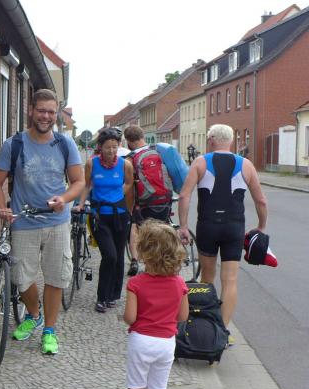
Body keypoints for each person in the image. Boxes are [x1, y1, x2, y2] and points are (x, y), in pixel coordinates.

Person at [0, 89, 84, 355]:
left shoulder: (65, 144)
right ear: (31, 111)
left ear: (57, 115)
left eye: (51, 112)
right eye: (41, 110)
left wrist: (64, 198)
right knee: (21, 278)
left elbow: (78, 181)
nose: (46, 116)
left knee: (56, 277)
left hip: (57, 222)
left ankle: (49, 331)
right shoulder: (14, 144)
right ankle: (34, 314)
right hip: (24, 221)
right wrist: (1, 208)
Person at [177, 123, 268, 332]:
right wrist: (261, 226)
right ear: (232, 141)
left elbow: (184, 195)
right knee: (230, 279)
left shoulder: (200, 162)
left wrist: (183, 226)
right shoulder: (246, 165)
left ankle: (205, 327)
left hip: (207, 226)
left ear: (211, 140)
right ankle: (223, 331)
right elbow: (261, 200)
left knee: (207, 278)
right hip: (234, 227)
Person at [117, 220, 189, 389]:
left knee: (135, 387)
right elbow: (183, 315)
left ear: (144, 252)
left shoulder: (136, 283)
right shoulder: (179, 283)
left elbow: (130, 317)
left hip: (141, 341)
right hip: (166, 343)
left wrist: (126, 317)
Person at [77, 127, 134, 312]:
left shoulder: (125, 165)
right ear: (100, 147)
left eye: (115, 147)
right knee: (109, 255)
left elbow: (129, 183)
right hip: (99, 216)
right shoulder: (92, 164)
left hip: (120, 215)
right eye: (108, 147)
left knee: (118, 256)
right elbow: (87, 185)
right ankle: (101, 297)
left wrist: (117, 195)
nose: (111, 151)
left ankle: (113, 296)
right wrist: (81, 204)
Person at [124, 125, 173, 277]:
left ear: (128, 141)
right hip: (165, 199)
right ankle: (166, 264)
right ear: (143, 136)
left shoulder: (130, 159)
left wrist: (130, 209)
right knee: (162, 232)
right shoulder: (159, 152)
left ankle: (139, 262)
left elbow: (130, 188)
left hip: (145, 202)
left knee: (139, 230)